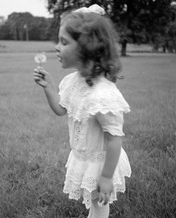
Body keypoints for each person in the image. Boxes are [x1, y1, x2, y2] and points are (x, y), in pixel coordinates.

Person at [33, 4, 131, 218]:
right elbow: (61, 109)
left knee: (99, 203)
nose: (57, 47)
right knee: (94, 201)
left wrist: (106, 177)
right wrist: (49, 87)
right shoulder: (73, 81)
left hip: (101, 161)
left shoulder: (103, 94)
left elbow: (115, 138)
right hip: (83, 155)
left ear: (87, 48)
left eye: (64, 42)